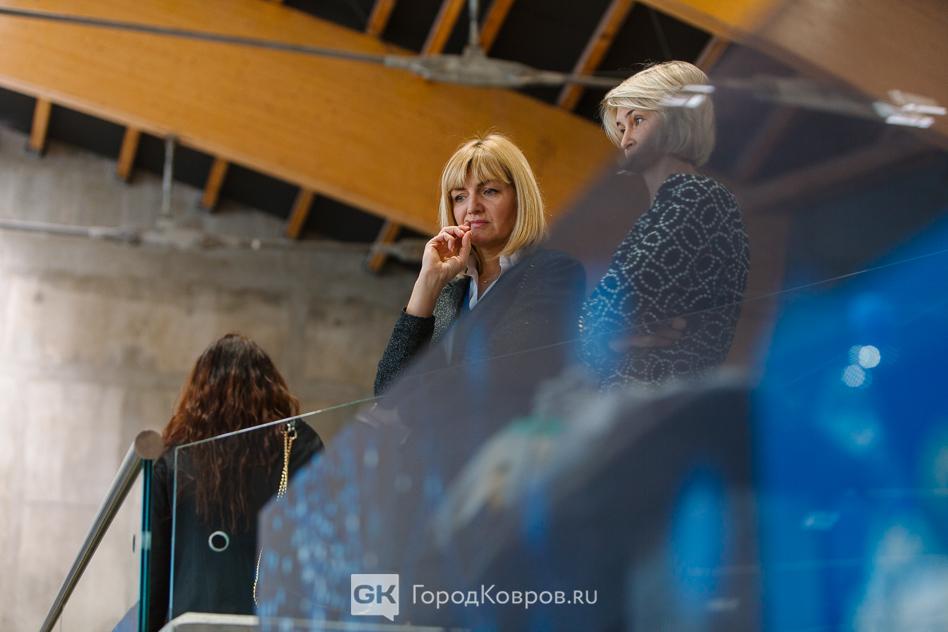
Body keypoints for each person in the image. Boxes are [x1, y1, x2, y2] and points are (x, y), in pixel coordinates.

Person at [579, 61, 750, 388]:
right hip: (640, 400)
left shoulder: (696, 197)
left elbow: (613, 308)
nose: (626, 140)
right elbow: (602, 325)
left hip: (651, 400)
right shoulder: (677, 202)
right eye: (621, 128)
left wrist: (595, 332)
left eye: (638, 120)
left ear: (678, 118)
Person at [374, 132, 585, 396]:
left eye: (489, 191)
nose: (472, 207)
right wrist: (426, 284)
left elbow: (498, 376)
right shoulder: (451, 292)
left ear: (520, 198)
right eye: (459, 197)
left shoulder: (554, 272)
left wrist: (414, 397)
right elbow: (388, 391)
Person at [147, 333, 323, 631]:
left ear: (198, 391)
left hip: (191, 622)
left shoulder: (176, 456)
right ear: (270, 386)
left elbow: (155, 566)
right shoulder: (299, 444)